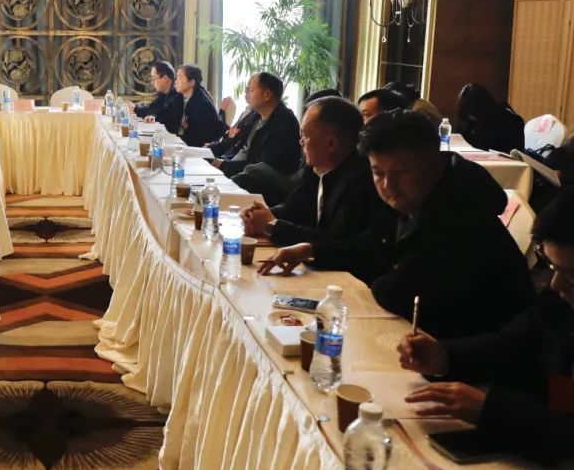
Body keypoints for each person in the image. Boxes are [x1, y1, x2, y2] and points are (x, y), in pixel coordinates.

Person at [398, 191, 574, 465]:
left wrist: (490, 410)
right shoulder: (559, 304)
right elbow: (508, 345)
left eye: (571, 275)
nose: (555, 284)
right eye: (552, 267)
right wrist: (444, 357)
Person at [361, 110, 533, 338]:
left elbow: (397, 293)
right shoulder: (417, 198)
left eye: (401, 172)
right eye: (378, 173)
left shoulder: (460, 210)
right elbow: (372, 246)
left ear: (434, 161)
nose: (388, 185)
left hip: (477, 346)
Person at [244, 97, 392, 283]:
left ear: (331, 144)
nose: (300, 142)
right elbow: (293, 209)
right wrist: (261, 214)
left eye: (306, 135)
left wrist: (272, 225)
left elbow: (333, 240)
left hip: (351, 281)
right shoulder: (315, 169)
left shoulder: (361, 180)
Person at [210, 72, 301, 203]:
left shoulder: (284, 123)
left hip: (260, 183)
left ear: (267, 95)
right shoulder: (254, 115)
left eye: (251, 90)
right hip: (237, 169)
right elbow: (235, 142)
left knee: (214, 193)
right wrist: (217, 157)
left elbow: (263, 168)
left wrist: (225, 165)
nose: (248, 94)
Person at [457, 82, 525, 153]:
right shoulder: (470, 119)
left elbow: (512, 154)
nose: (470, 116)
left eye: (472, 113)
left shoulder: (510, 121)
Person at [174, 64, 226, 147]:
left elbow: (195, 137)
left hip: (202, 148)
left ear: (191, 82)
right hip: (193, 143)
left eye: (179, 78)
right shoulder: (192, 95)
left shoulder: (200, 104)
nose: (175, 81)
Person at [134, 61, 184, 133]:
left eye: (154, 78)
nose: (152, 82)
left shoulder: (177, 96)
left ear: (165, 78)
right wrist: (136, 107)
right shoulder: (163, 93)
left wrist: (135, 109)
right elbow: (152, 109)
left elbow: (163, 116)